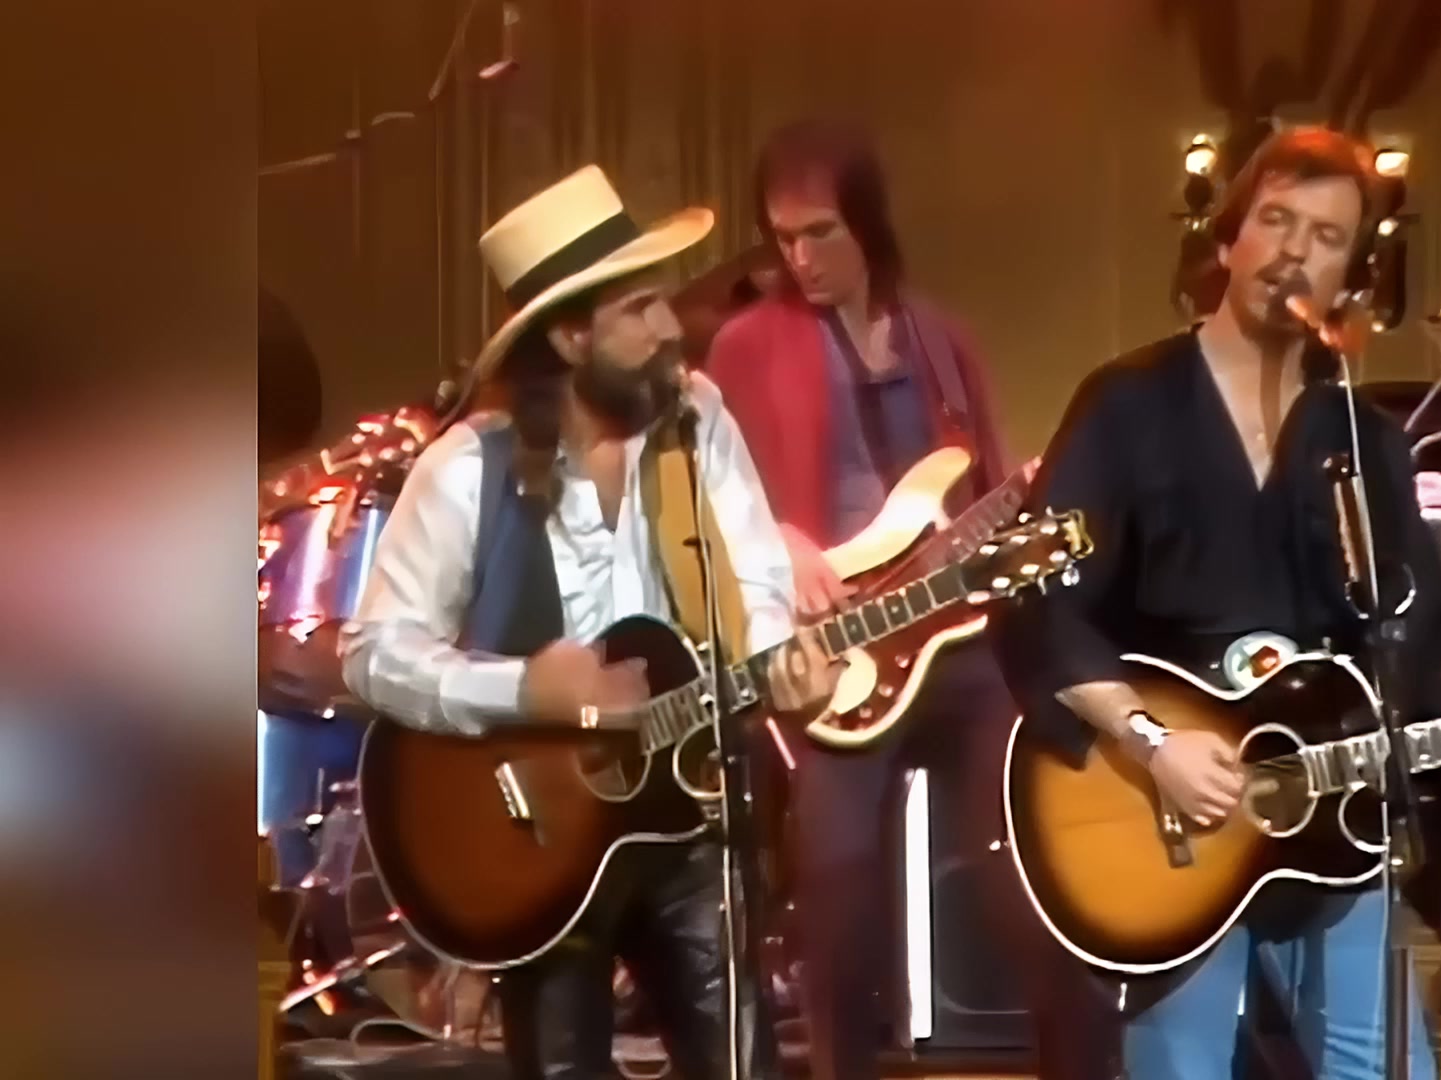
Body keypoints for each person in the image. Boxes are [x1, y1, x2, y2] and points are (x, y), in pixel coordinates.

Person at [990, 126, 1441, 1080]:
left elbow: (1417, 636)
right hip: (1163, 806)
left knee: (1384, 1066)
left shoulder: (1363, 439)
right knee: (1184, 1065)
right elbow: (1039, 607)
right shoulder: (1127, 403)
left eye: (1327, 237)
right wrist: (1152, 741)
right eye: (1276, 221)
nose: (1296, 251)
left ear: (1352, 278)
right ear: (1227, 239)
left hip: (1330, 808)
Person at [340, 165, 838, 1080]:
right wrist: (523, 690)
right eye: (639, 309)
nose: (670, 327)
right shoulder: (466, 468)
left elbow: (759, 583)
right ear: (571, 338)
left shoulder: (696, 420)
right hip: (543, 840)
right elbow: (372, 654)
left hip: (689, 818)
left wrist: (785, 668)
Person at [704, 119, 1118, 1080]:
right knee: (838, 891)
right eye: (783, 237)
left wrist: (1031, 502)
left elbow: (986, 488)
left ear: (869, 223)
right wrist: (779, 542)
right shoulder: (744, 346)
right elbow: (708, 494)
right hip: (839, 645)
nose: (799, 257)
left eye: (821, 232)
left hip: (962, 637)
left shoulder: (942, 338)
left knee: (1039, 866)